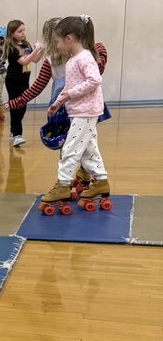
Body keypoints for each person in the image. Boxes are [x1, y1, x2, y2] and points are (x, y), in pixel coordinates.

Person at [7, 19, 109, 186]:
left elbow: (95, 76)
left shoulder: (81, 56)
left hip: (83, 106)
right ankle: (89, 175)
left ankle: (69, 181)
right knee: (80, 142)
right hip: (65, 106)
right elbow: (38, 86)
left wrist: (97, 51)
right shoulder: (55, 60)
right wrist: (18, 101)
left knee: (76, 144)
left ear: (69, 38)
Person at [39, 15, 111, 209]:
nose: (56, 45)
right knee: (89, 149)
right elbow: (70, 86)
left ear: (69, 38)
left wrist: (69, 94)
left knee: (70, 148)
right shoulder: (72, 60)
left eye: (57, 41)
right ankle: (101, 181)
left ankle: (63, 184)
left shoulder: (85, 57)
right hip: (79, 110)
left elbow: (94, 80)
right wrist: (59, 101)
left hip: (86, 111)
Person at [3, 19, 45, 146]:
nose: (23, 33)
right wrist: (36, 49)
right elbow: (25, 61)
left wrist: (41, 50)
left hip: (24, 80)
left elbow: (35, 60)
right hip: (13, 80)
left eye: (24, 30)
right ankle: (17, 135)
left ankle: (13, 130)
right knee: (16, 106)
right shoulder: (11, 48)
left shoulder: (25, 44)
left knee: (23, 107)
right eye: (19, 31)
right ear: (12, 33)